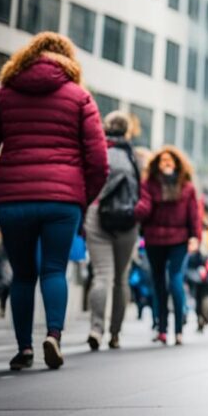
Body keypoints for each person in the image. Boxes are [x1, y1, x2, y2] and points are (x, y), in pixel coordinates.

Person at [0, 32, 108, 370]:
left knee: (23, 275)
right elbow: (99, 161)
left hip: (13, 197)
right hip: (62, 200)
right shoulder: (79, 96)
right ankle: (53, 336)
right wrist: (82, 198)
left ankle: (24, 348)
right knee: (54, 268)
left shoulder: (3, 95)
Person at [84, 111, 141, 351]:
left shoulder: (98, 152)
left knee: (102, 275)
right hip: (128, 219)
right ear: (128, 131)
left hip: (97, 214)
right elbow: (143, 192)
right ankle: (114, 334)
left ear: (104, 128)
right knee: (121, 279)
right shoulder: (136, 158)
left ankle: (96, 329)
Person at [135, 146, 202, 346]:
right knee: (158, 283)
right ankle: (162, 329)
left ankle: (178, 330)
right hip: (154, 239)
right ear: (157, 163)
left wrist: (194, 237)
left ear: (177, 164)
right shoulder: (149, 184)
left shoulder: (187, 187)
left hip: (178, 240)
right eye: (163, 160)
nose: (167, 163)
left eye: (170, 160)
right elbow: (144, 210)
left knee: (175, 280)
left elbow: (194, 215)